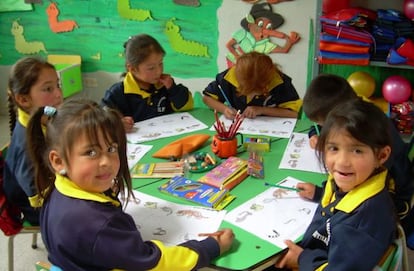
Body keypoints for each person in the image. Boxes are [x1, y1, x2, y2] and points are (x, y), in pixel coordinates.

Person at [26, 99, 234, 270]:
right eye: (91, 152)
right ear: (58, 161)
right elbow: (154, 264)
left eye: (111, 148)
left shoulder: (56, 188)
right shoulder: (99, 223)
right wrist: (211, 247)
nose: (106, 161)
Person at [275, 99, 397, 270]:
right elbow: (339, 202)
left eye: (357, 151)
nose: (342, 162)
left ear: (382, 156)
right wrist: (319, 193)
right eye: (333, 148)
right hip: (314, 251)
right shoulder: (353, 182)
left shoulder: (360, 224)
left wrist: (302, 259)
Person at [302, 73, 413, 232]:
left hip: (394, 202)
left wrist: (321, 193)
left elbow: (360, 191)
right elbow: (317, 127)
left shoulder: (369, 130)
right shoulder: (353, 104)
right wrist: (314, 134)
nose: (341, 161)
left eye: (325, 124)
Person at [3, 57, 63, 226]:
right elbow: (39, 199)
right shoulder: (27, 144)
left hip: (53, 183)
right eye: (48, 89)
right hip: (39, 209)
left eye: (57, 85)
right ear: (23, 99)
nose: (58, 94)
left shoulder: (44, 118)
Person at [101, 34, 194, 132]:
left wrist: (173, 88)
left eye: (160, 63)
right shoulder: (117, 93)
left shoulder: (164, 86)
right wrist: (117, 123)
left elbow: (187, 106)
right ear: (132, 68)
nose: (159, 71)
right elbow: (102, 118)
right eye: (151, 68)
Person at [203, 51, 301, 120]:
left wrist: (262, 110)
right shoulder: (228, 77)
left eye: (255, 92)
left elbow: (294, 113)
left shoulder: (280, 81)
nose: (251, 97)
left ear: (267, 82)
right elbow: (207, 98)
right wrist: (224, 109)